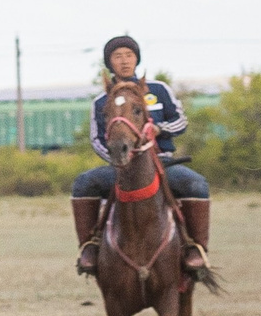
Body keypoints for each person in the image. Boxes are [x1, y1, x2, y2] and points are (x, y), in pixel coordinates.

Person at [71, 34, 212, 274]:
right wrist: (118, 158)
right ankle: (90, 247)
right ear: (109, 63)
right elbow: (96, 139)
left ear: (137, 59)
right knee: (83, 183)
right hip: (121, 167)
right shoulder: (101, 101)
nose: (125, 61)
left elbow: (180, 121)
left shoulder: (159, 90)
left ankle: (195, 248)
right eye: (118, 56)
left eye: (129, 55)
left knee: (196, 184)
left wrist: (160, 128)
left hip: (163, 163)